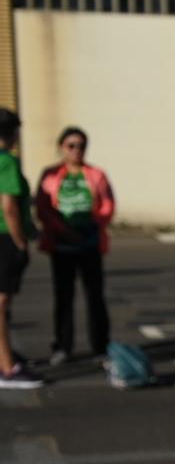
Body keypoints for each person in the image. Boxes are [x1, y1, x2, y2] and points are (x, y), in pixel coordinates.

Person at [36, 126, 115, 365]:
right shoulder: (50, 175)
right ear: (62, 148)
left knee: (95, 296)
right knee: (64, 297)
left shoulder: (96, 174)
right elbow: (43, 207)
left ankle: (100, 345)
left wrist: (93, 226)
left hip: (89, 241)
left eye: (81, 146)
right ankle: (63, 345)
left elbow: (107, 205)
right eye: (71, 146)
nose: (76, 151)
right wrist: (64, 230)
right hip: (62, 244)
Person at [0, 108, 41, 389]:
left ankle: (5, 359)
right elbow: (9, 206)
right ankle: (7, 368)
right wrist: (20, 240)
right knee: (1, 304)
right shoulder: (7, 163)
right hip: (4, 237)